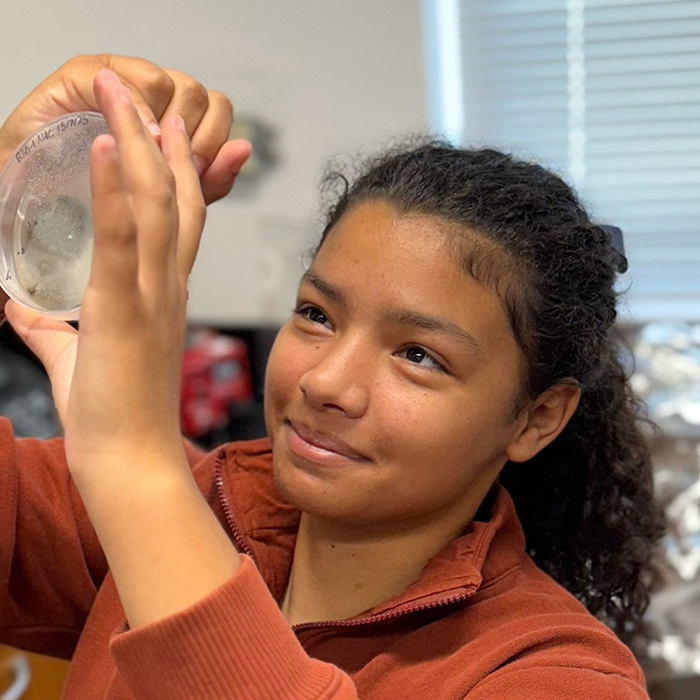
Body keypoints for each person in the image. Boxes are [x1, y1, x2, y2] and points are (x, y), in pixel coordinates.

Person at [0, 55, 664, 699]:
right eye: (317, 315)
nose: (325, 384)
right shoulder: (198, 502)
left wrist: (133, 466)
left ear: (536, 418)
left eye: (418, 355)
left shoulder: (557, 676)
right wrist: (9, 182)